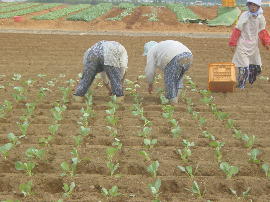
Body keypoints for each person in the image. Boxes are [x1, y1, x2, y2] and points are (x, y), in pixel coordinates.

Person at [229, 0, 270, 89]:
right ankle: (241, 85)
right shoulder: (244, 16)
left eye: (255, 5)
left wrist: (266, 42)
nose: (252, 7)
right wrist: (233, 43)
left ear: (258, 6)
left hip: (253, 46)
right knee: (243, 68)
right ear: (248, 5)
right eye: (251, 5)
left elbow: (262, 31)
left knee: (257, 68)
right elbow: (237, 30)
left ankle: (251, 75)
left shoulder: (261, 17)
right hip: (242, 45)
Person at [143, 40, 193, 104]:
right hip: (189, 55)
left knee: (170, 81)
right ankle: (176, 99)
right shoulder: (161, 46)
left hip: (175, 58)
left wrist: (150, 84)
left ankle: (173, 104)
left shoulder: (151, 51)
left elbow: (150, 70)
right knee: (178, 78)